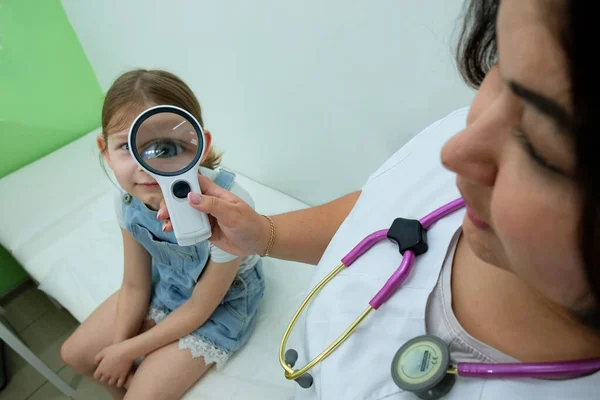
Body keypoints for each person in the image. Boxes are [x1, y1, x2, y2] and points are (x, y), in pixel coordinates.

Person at [160, 0, 600, 398]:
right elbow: (383, 214)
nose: (455, 150)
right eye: (503, 69)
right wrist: (266, 234)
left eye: (540, 146)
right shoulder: (461, 139)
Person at [60, 69, 266, 400]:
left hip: (220, 301)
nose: (145, 164)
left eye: (165, 148)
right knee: (75, 354)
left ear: (199, 145)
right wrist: (120, 350)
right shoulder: (126, 202)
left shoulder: (230, 208)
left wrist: (127, 351)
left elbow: (201, 308)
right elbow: (135, 284)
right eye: (127, 147)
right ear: (105, 151)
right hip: (169, 283)